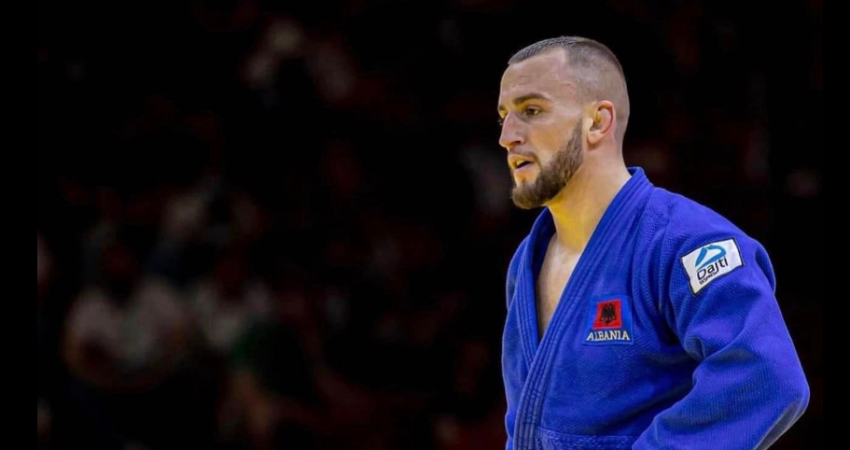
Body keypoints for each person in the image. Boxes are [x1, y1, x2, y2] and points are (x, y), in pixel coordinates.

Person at [497, 36, 809, 450]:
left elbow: (766, 377)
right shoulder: (528, 261)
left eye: (531, 111)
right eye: (503, 117)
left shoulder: (687, 243)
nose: (507, 136)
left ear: (597, 122)